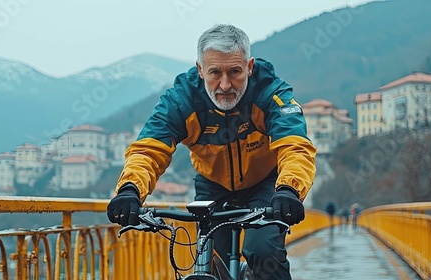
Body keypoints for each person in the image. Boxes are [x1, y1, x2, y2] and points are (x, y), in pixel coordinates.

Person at [107, 24, 317, 279]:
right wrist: (130, 189)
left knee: (262, 252)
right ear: (200, 70)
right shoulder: (181, 99)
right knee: (208, 258)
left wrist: (289, 189)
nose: (225, 84)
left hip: (267, 184)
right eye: (215, 72)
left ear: (249, 67)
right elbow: (149, 150)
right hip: (212, 185)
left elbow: (295, 146)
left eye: (235, 72)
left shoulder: (270, 92)